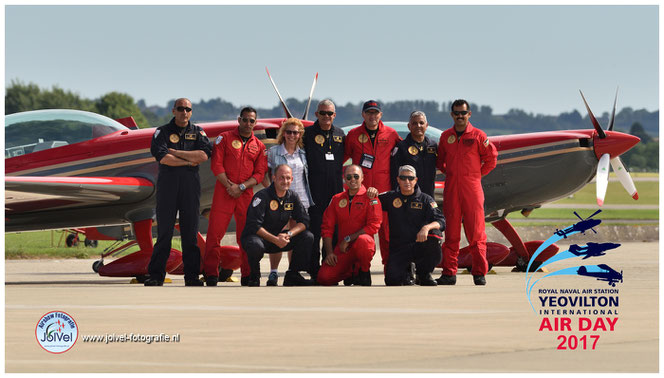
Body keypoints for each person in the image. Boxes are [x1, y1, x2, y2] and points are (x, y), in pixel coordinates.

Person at [145, 98, 212, 286]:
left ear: (191, 112)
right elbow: (164, 158)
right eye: (181, 109)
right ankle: (156, 276)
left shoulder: (198, 132)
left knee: (190, 233)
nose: (184, 112)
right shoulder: (162, 132)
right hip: (168, 186)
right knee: (164, 232)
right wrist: (190, 161)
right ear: (173, 111)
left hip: (190, 186)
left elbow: (204, 155)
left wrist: (177, 153)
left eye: (188, 109)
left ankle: (191, 277)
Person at [203, 106, 268, 287]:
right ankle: (211, 274)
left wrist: (241, 187)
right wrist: (229, 186)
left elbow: (260, 174)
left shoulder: (259, 146)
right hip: (224, 192)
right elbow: (216, 166)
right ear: (239, 120)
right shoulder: (224, 138)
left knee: (246, 236)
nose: (248, 123)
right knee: (215, 235)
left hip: (245, 195)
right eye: (245, 119)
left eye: (252, 121)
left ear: (255, 123)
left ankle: (248, 274)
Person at [436, 99, 497, 286]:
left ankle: (479, 273)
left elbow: (491, 159)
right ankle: (449, 273)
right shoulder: (446, 137)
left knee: (476, 233)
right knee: (452, 233)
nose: (460, 116)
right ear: (451, 115)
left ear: (469, 114)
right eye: (456, 113)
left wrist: (475, 175)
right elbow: (441, 162)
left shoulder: (478, 135)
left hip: (472, 189)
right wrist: (453, 174)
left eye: (463, 113)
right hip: (452, 189)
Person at [344, 100, 401, 268]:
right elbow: (342, 159)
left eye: (375, 113)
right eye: (369, 112)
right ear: (363, 114)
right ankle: (358, 270)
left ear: (380, 115)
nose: (372, 116)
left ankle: (390, 269)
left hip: (385, 193)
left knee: (387, 234)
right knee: (359, 234)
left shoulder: (391, 134)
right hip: (360, 193)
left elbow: (404, 154)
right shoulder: (353, 135)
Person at [241, 164, 314, 286]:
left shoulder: (292, 196)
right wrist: (275, 240)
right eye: (281, 178)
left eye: (288, 178)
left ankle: (293, 275)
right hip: (259, 239)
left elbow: (304, 221)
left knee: (308, 236)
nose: (285, 181)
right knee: (254, 244)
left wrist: (289, 234)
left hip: (279, 239)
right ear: (274, 178)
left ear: (291, 179)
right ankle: (254, 276)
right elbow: (254, 225)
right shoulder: (262, 196)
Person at [264, 118, 313, 286]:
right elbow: (264, 172)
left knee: (294, 237)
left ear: (300, 135)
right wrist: (269, 191)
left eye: (296, 132)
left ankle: (293, 272)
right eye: (289, 132)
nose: (292, 135)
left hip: (301, 199)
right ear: (283, 133)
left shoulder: (304, 153)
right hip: (279, 199)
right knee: (278, 234)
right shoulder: (273, 151)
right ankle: (273, 272)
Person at [377, 165, 445, 286]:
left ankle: (424, 274)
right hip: (399, 248)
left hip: (419, 245)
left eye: (410, 178)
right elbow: (372, 202)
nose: (407, 181)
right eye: (403, 178)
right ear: (398, 180)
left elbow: (441, 221)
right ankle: (407, 271)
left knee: (435, 235)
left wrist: (426, 227)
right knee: (392, 281)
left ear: (416, 180)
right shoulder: (390, 197)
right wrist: (371, 193)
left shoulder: (425, 199)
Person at [317, 165, 383, 286]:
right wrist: (330, 253)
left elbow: (374, 226)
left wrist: (349, 238)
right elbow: (327, 227)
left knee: (365, 241)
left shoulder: (371, 197)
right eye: (349, 177)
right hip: (343, 249)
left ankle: (363, 272)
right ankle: (351, 272)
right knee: (324, 278)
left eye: (356, 176)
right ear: (344, 179)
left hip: (361, 246)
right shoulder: (336, 199)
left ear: (362, 178)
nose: (352, 179)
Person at [302, 99, 346, 281]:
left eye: (330, 113)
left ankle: (330, 268)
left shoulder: (341, 134)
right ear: (316, 114)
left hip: (335, 191)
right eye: (323, 113)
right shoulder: (307, 134)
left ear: (334, 115)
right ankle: (313, 269)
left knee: (334, 232)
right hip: (314, 191)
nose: (326, 117)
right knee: (315, 232)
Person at [390, 111, 438, 197]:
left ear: (426, 126)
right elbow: (394, 174)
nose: (418, 126)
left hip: (429, 194)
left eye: (421, 123)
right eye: (415, 123)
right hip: (408, 196)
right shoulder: (401, 147)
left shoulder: (433, 146)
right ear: (409, 126)